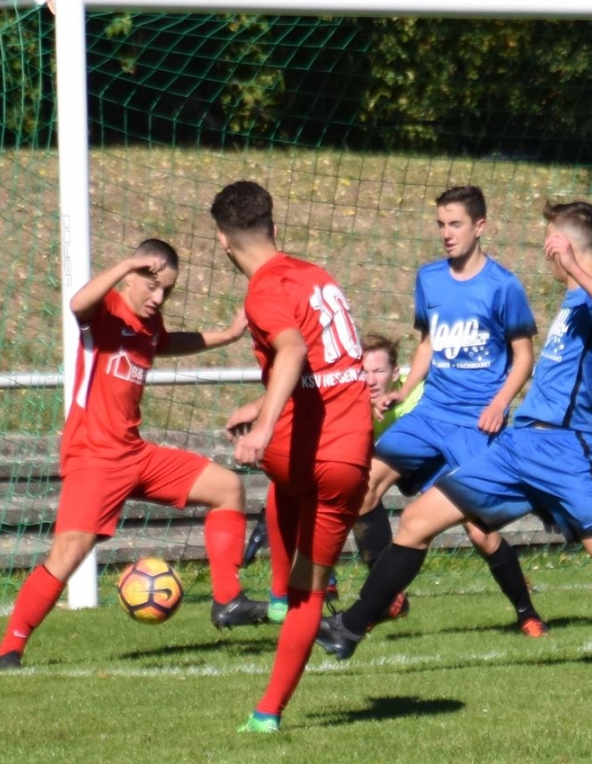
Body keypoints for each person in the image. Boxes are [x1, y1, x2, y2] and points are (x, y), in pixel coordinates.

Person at [317, 200, 592, 673]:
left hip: (564, 451)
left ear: (565, 246)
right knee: (416, 520)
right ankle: (350, 628)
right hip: (519, 446)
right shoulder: (575, 302)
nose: (545, 254)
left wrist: (576, 269)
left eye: (549, 243)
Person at [0, 238, 265, 670]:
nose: (159, 298)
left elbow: (163, 342)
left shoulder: (149, 324)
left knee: (227, 487)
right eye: (152, 286)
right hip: (94, 458)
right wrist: (124, 264)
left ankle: (228, 599)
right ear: (131, 277)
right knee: (67, 556)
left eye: (167, 291)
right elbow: (77, 303)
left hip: (135, 454)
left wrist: (226, 335)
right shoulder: (105, 311)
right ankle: (8, 650)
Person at [348, 185, 548, 637]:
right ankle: (388, 594)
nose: (446, 233)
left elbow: (523, 357)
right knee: (361, 487)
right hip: (430, 415)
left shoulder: (503, 285)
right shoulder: (429, 279)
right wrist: (404, 391)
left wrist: (499, 403)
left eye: (455, 224)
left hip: (476, 424)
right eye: (441, 224)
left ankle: (526, 612)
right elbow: (428, 343)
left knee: (481, 531)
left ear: (480, 227)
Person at [212, 180, 373, 734]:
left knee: (283, 482)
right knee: (311, 591)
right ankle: (267, 711)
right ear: (273, 226)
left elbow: (294, 349)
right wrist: (261, 404)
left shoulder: (262, 290)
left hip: (297, 454)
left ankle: (278, 594)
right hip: (351, 458)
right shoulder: (317, 275)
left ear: (223, 241)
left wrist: (261, 425)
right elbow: (328, 366)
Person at [260, 332, 424, 624]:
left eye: (378, 371)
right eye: (364, 372)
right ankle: (380, 593)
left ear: (396, 373)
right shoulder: (351, 401)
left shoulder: (416, 397)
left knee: (478, 528)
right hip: (383, 466)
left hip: (431, 460)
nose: (370, 380)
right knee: (347, 490)